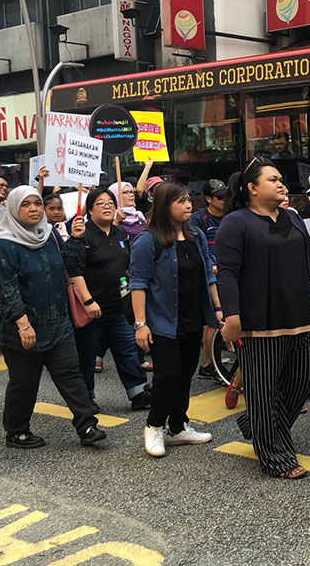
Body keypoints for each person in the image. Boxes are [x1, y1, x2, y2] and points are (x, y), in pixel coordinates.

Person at [216, 158, 310, 477]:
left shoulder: (293, 217)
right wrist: (232, 316)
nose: (282, 184)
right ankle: (275, 456)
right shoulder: (236, 222)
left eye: (281, 179)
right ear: (252, 188)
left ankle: (255, 421)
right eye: (272, 179)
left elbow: (309, 254)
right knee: (264, 389)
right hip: (259, 320)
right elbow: (227, 273)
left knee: (304, 377)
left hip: (300, 314)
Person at [0, 187, 106, 449]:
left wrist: (75, 239)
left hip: (58, 322)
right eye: (26, 205)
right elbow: (6, 290)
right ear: (13, 209)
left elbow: (69, 266)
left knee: (71, 375)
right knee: (24, 382)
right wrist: (23, 324)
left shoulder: (50, 234)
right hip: (21, 328)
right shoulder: (4, 245)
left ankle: (87, 425)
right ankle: (17, 431)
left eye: (37, 203)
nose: (34, 209)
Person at [130, 181, 221, 458]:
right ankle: (154, 426)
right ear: (164, 206)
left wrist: (217, 310)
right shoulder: (148, 240)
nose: (188, 205)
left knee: (184, 375)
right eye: (180, 201)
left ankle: (178, 426)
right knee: (167, 375)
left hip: (192, 318)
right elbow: (138, 283)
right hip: (161, 321)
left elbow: (208, 275)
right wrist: (141, 323)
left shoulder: (196, 235)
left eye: (188, 200)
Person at [66, 188, 151, 413]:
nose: (107, 206)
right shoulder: (82, 235)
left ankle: (139, 392)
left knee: (128, 350)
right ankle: (86, 398)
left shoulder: (120, 233)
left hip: (119, 306)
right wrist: (87, 301)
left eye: (110, 203)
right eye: (100, 203)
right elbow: (74, 271)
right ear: (90, 210)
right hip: (92, 309)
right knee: (87, 355)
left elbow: (126, 267)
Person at [191, 179, 227, 383]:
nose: (224, 200)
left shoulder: (230, 217)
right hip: (208, 275)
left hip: (228, 273)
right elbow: (198, 248)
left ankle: (216, 357)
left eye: (226, 196)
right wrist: (212, 265)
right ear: (208, 199)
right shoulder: (198, 220)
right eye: (220, 197)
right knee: (213, 319)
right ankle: (207, 364)